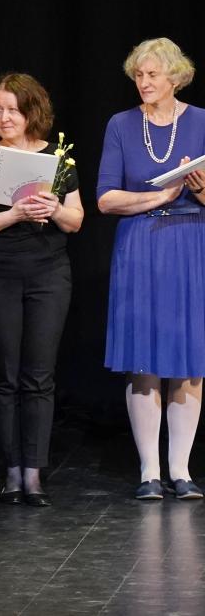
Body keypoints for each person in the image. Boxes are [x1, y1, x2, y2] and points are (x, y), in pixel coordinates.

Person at [0, 73, 83, 507]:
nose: (4, 117)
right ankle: (11, 471)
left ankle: (34, 472)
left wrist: (55, 208)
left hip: (49, 274)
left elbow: (76, 220)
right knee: (4, 374)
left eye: (12, 109)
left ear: (32, 111)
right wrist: (13, 214)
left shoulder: (57, 158)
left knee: (39, 375)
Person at [97, 37, 205, 501]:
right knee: (143, 358)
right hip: (139, 243)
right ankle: (149, 472)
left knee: (187, 360)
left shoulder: (201, 121)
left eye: (152, 75)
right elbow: (105, 198)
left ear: (175, 77)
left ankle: (181, 470)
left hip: (189, 242)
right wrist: (161, 196)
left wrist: (200, 189)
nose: (143, 82)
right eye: (138, 75)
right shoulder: (121, 124)